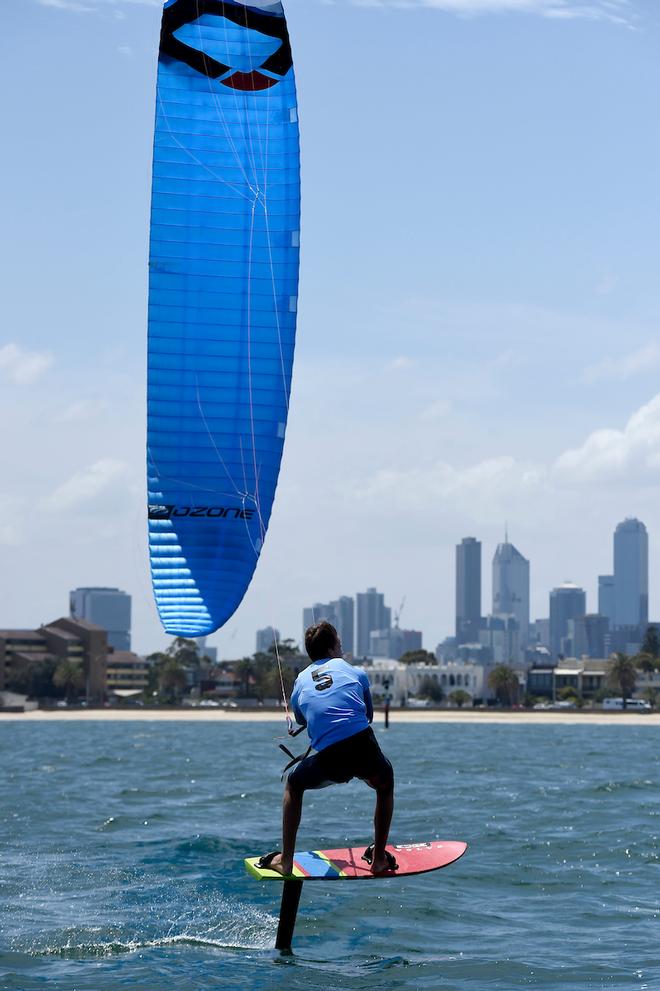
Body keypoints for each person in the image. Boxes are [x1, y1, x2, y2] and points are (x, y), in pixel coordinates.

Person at [259, 621, 396, 876]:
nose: (341, 649)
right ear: (333, 647)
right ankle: (378, 859)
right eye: (340, 644)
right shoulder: (356, 672)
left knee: (294, 783)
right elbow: (368, 716)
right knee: (385, 784)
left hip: (330, 760)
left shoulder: (300, 681)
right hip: (363, 747)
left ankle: (285, 861)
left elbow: (301, 719)